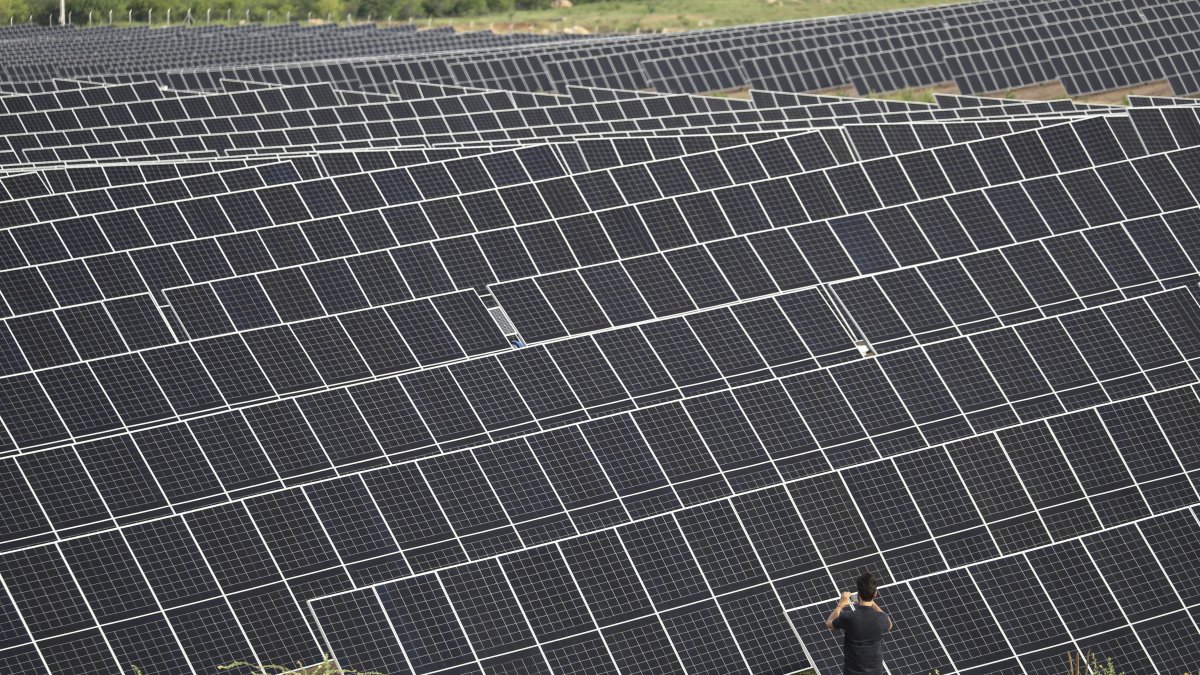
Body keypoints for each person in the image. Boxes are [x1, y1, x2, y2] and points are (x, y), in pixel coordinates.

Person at [825, 572, 893, 675]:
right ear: (875, 594)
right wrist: (872, 602)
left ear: (858, 594)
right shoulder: (881, 618)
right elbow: (890, 624)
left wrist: (840, 605)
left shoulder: (848, 617)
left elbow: (829, 624)